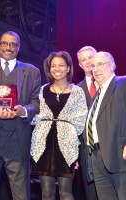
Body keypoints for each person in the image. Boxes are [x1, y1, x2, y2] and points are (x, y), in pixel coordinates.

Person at [0, 31, 41, 200]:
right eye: (4, 43)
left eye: (13, 44)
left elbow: (36, 103)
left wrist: (23, 110)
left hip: (17, 140)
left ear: (19, 48)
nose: (8, 47)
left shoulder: (32, 71)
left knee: (21, 195)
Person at [87, 51, 126, 200]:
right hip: (98, 156)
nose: (96, 69)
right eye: (93, 66)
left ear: (112, 65)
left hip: (122, 154)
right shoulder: (96, 95)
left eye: (100, 64)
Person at [31, 51, 88, 200]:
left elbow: (81, 118)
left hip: (66, 146)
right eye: (53, 66)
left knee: (66, 192)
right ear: (49, 69)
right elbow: (35, 115)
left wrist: (69, 137)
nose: (57, 68)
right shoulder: (42, 90)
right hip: (42, 145)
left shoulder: (77, 92)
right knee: (47, 191)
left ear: (68, 68)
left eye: (61, 65)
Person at [76, 46, 98, 200]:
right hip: (86, 151)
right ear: (80, 65)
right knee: (91, 194)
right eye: (84, 60)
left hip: (111, 150)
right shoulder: (75, 90)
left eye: (91, 57)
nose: (88, 62)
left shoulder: (113, 83)